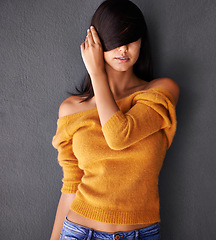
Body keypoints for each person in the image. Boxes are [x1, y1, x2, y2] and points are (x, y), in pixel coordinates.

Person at [50, 0, 179, 239]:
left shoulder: (160, 92)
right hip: (78, 232)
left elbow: (119, 136)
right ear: (96, 43)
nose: (123, 49)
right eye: (115, 40)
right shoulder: (71, 109)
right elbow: (70, 186)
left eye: (131, 39)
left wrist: (97, 72)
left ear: (142, 42)